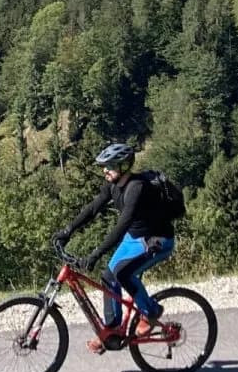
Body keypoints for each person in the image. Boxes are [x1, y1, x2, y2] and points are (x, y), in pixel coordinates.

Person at [53, 142, 177, 353]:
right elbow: (92, 209)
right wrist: (67, 231)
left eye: (109, 165)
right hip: (135, 237)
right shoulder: (113, 185)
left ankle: (151, 312)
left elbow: (122, 226)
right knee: (108, 276)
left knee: (123, 274)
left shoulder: (136, 188)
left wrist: (96, 254)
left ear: (123, 166)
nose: (104, 170)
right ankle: (110, 331)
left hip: (157, 240)